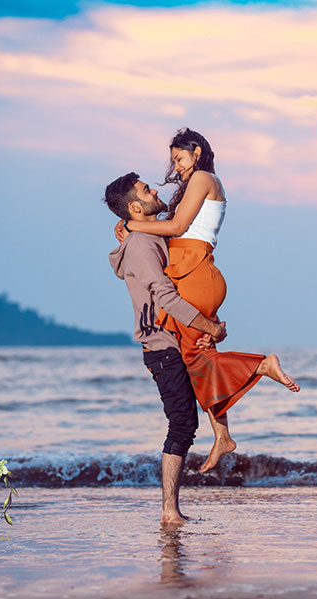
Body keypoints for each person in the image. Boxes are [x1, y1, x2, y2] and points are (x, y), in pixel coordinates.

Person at [112, 141, 300, 473]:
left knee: (195, 358)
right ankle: (222, 435)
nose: (176, 166)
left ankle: (262, 366)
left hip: (195, 273)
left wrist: (131, 226)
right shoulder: (195, 185)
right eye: (173, 160)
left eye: (179, 158)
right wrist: (132, 227)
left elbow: (176, 229)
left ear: (197, 151)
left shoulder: (202, 178)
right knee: (198, 359)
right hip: (193, 272)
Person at [104, 172, 226, 525]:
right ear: (134, 207)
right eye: (146, 190)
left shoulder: (146, 237)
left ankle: (223, 440)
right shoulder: (141, 246)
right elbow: (168, 298)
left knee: (199, 405)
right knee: (182, 425)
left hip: (177, 339)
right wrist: (212, 328)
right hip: (162, 345)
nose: (154, 189)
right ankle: (169, 511)